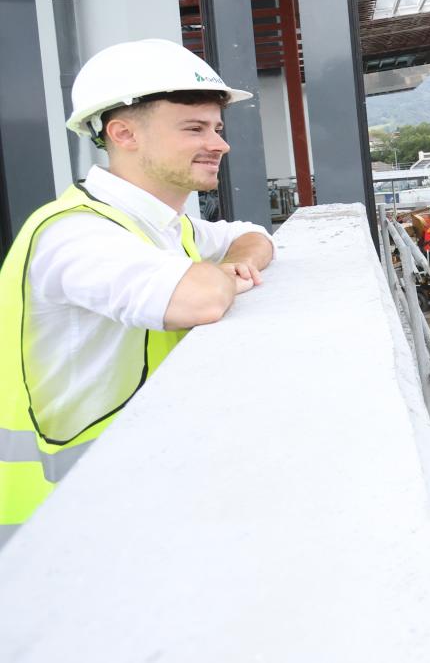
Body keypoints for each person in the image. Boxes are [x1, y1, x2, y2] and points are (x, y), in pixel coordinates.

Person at [0, 39, 274, 543]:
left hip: (136, 496)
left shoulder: (172, 227)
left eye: (216, 127)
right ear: (122, 133)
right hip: (57, 529)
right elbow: (200, 299)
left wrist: (234, 265)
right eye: (194, 128)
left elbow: (252, 236)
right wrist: (219, 279)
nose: (220, 143)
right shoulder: (73, 233)